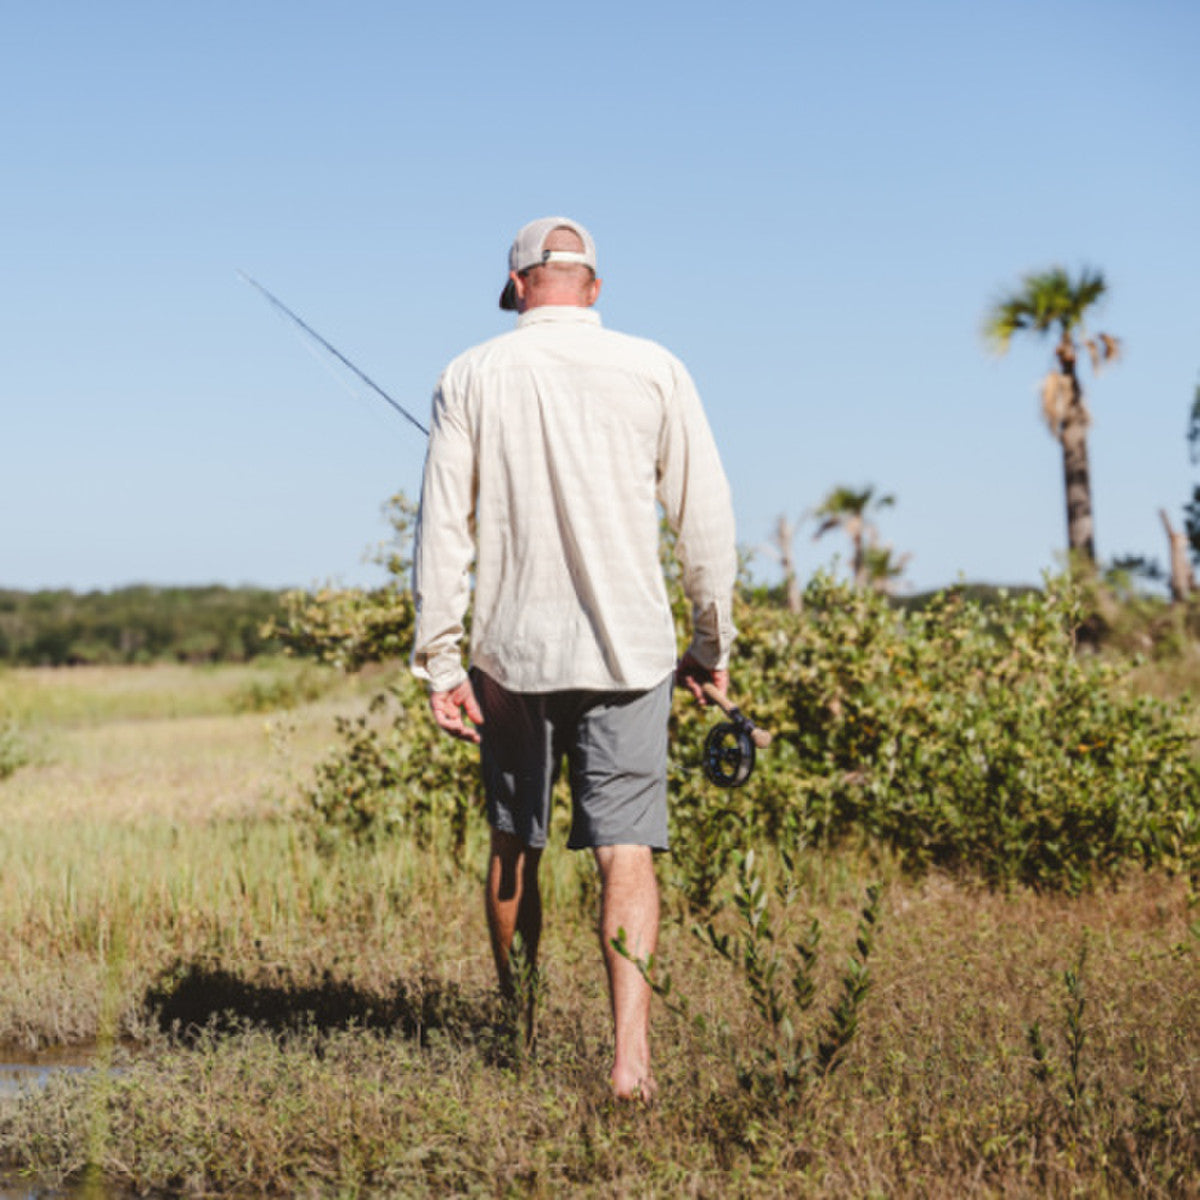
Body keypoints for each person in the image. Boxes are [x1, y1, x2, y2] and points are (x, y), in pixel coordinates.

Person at [411, 216, 737, 1100]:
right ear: (594, 286)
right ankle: (631, 1062)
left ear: (517, 286)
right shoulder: (656, 368)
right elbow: (704, 521)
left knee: (514, 841)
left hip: (510, 655)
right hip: (632, 652)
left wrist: (440, 661)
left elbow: (443, 529)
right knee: (626, 850)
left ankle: (516, 1035)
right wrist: (711, 646)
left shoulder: (469, 374)